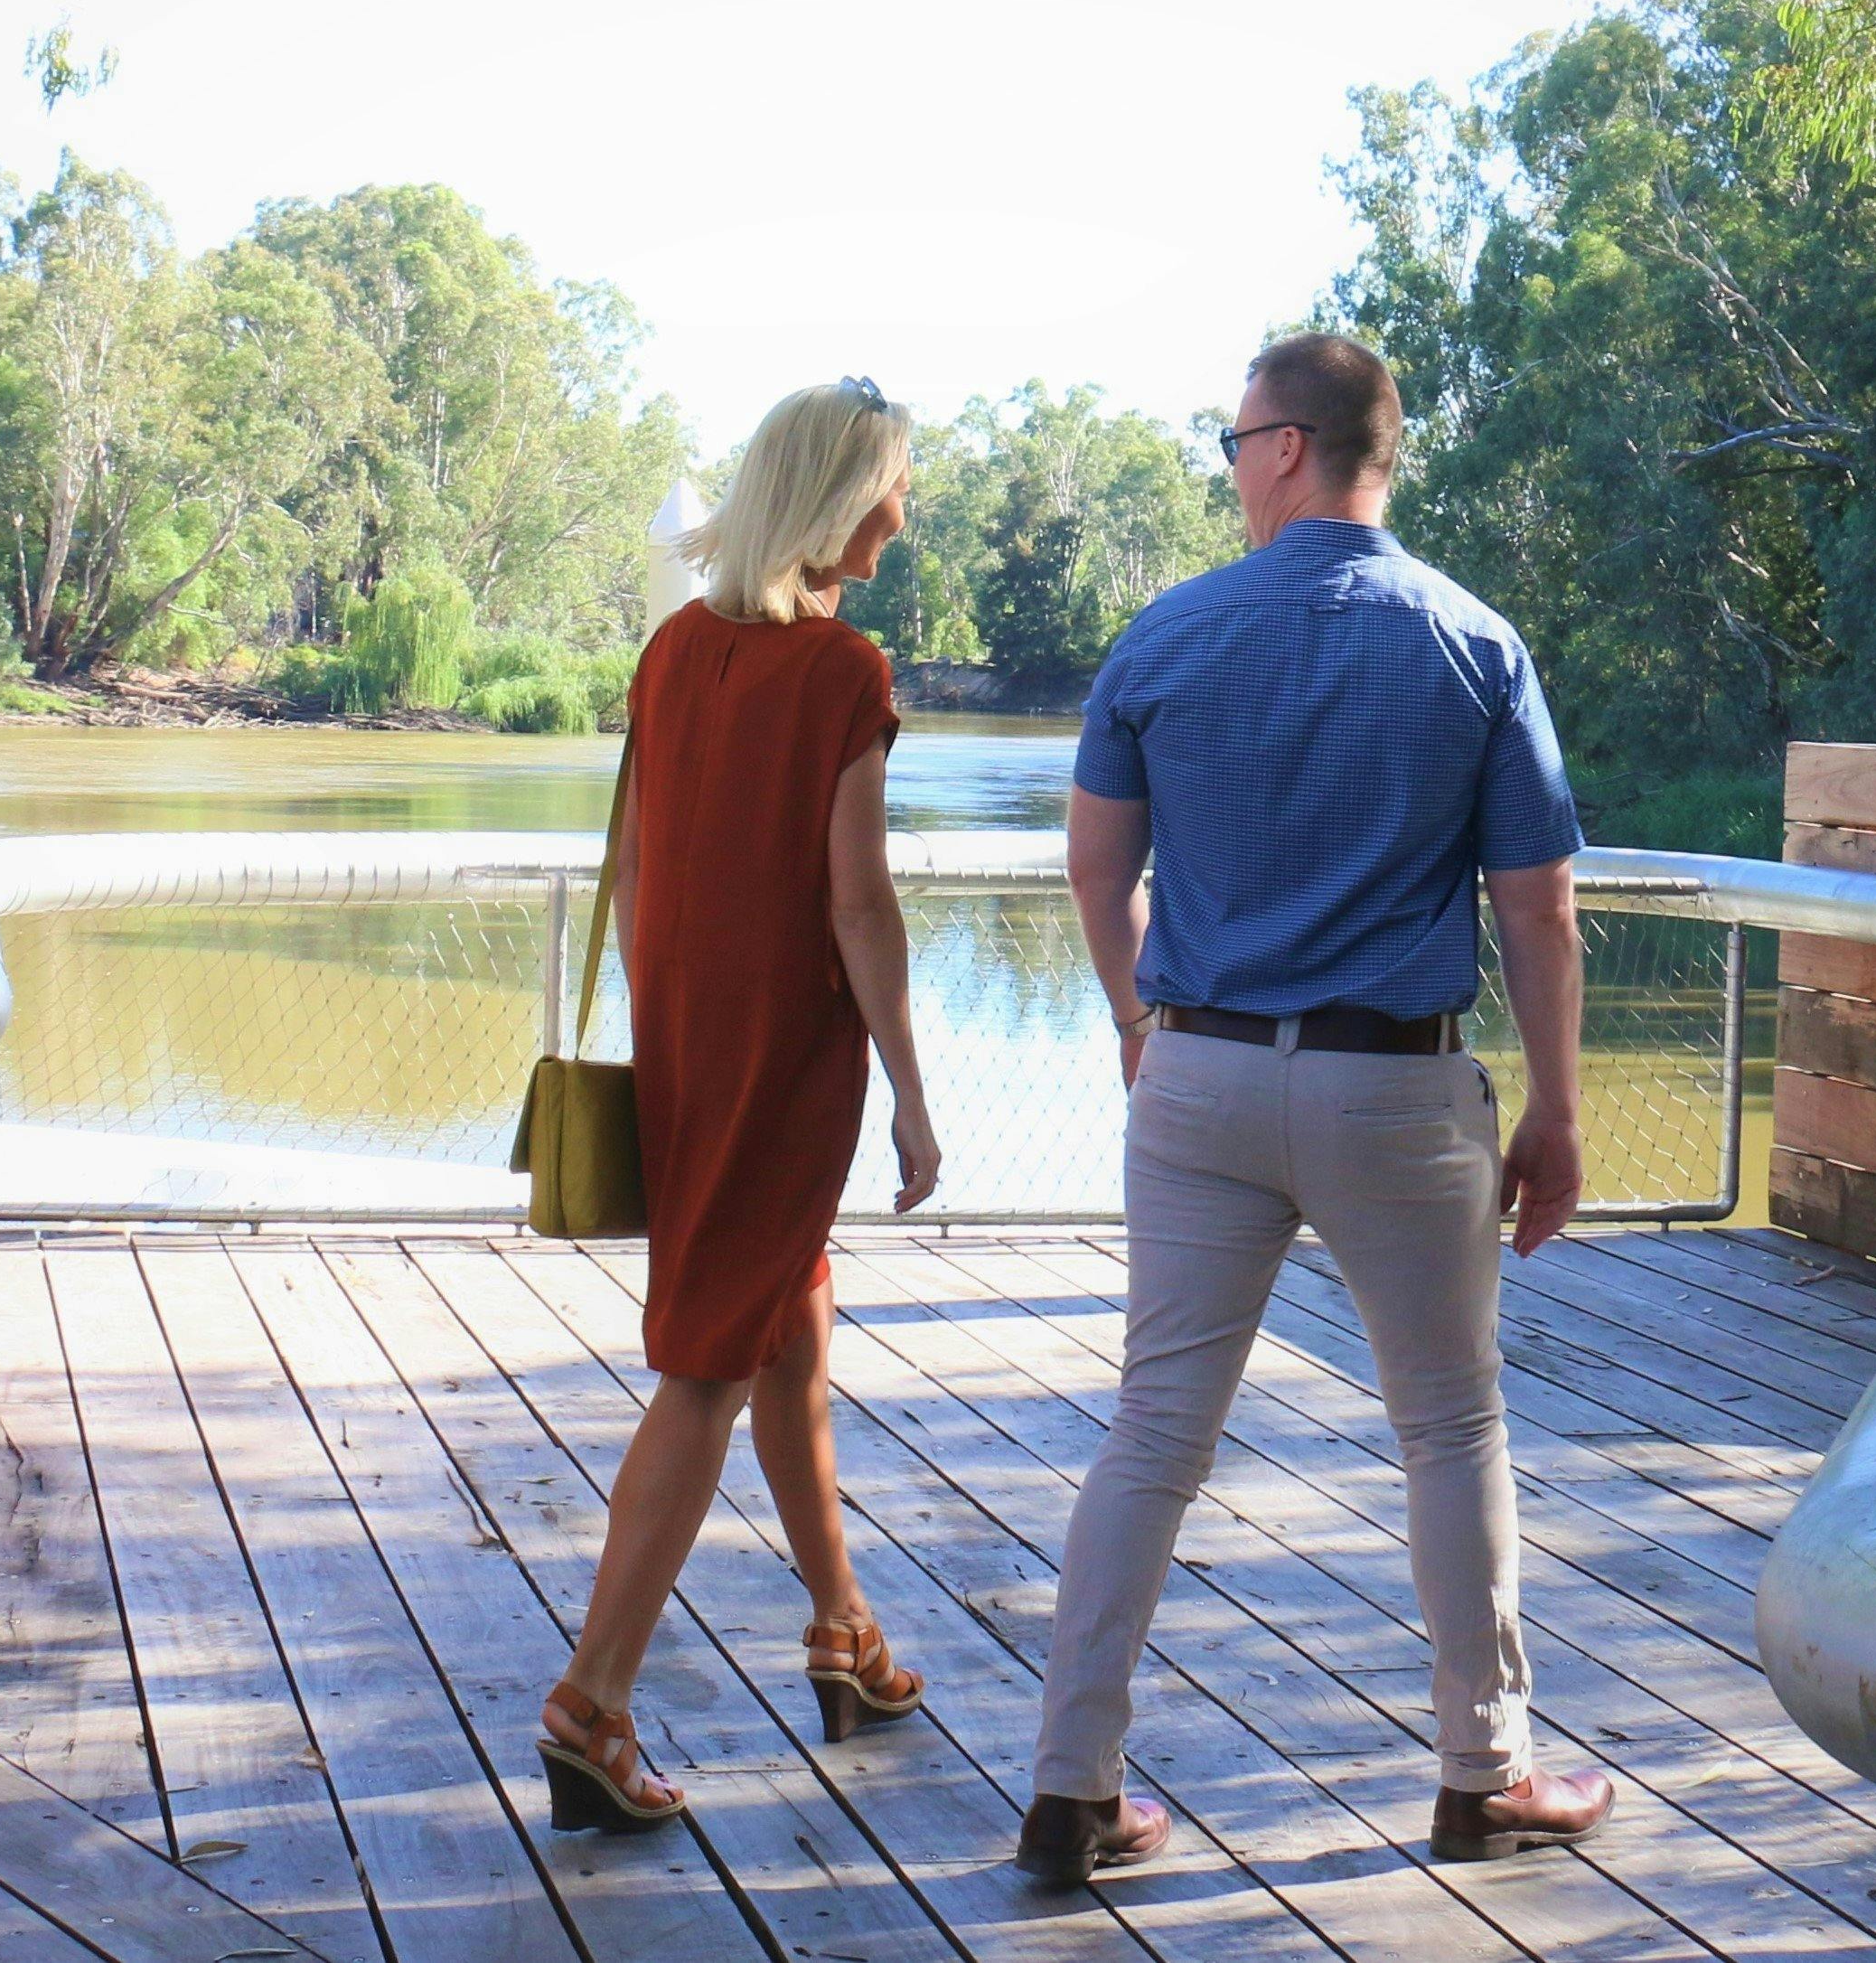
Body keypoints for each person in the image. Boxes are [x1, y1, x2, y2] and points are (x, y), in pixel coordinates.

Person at [1015, 331, 1614, 1884]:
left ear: (1288, 446)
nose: (1224, 472)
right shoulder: (1470, 644)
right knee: (1447, 1423)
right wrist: (1555, 1108)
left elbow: (1095, 867)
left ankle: (1071, 1787)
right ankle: (1485, 1777)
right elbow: (1535, 910)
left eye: (1231, 444)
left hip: (1198, 1073)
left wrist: (1141, 1024)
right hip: (1393, 1086)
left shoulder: (1162, 639)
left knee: (1152, 1432)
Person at [536, 376, 949, 1831]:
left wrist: (682, 1039)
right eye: (894, 485)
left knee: (789, 1327)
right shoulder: (843, 674)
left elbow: (637, 880)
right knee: (709, 1363)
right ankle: (592, 1702)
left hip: (693, 1048)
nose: (905, 510)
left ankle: (842, 1634)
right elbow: (859, 905)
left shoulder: (668, 652)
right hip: (784, 1060)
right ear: (840, 501)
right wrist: (907, 1090)